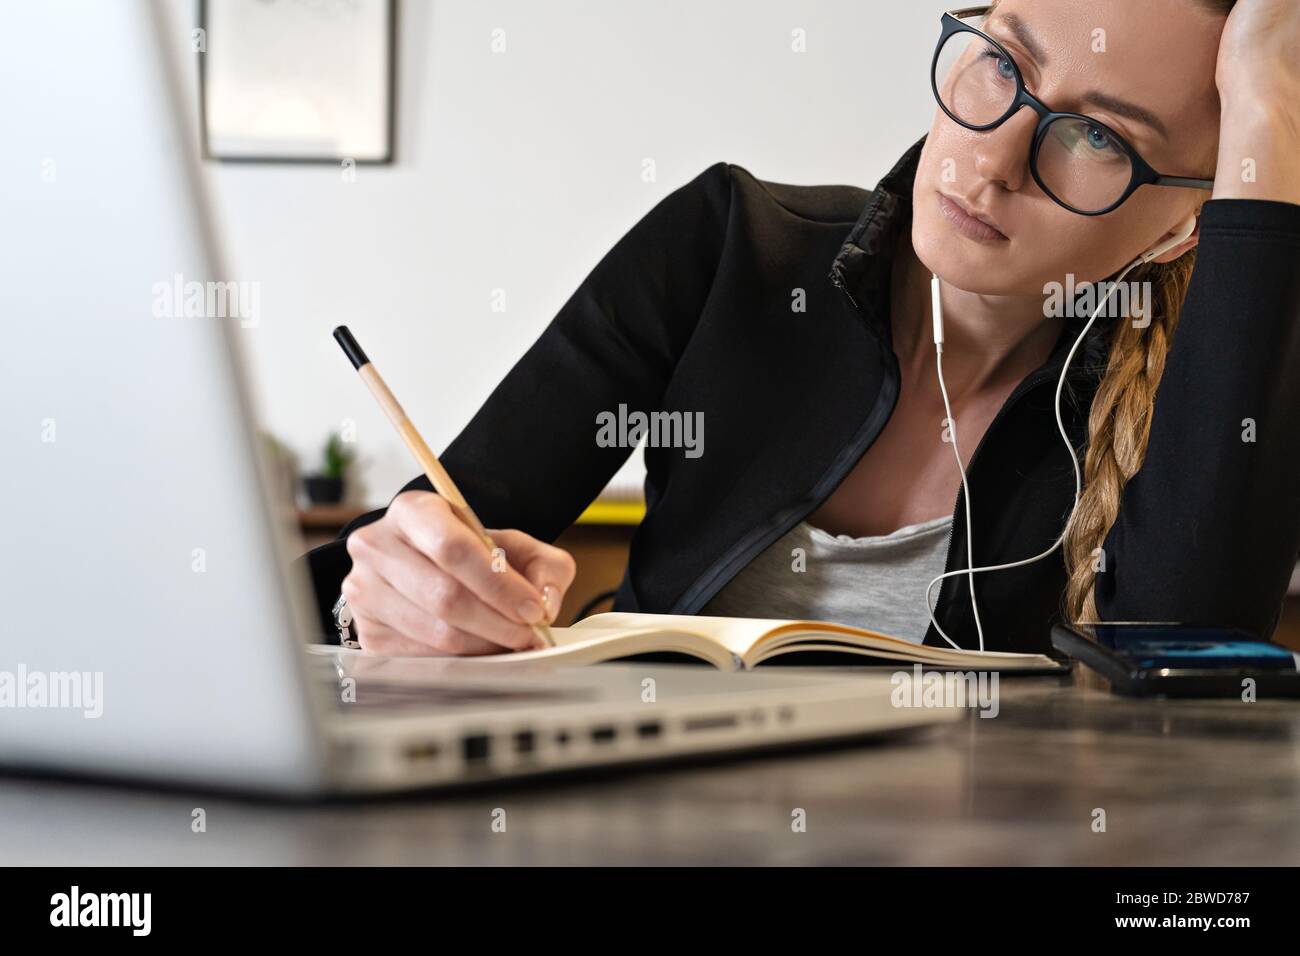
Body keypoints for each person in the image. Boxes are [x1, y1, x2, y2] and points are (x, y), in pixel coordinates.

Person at [302, 0, 1300, 657]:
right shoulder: (731, 249)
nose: (990, 158)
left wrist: (1269, 103)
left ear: (1181, 226)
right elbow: (397, 555)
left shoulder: (1198, 394)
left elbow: (1187, 682)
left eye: (1096, 136)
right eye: (1002, 60)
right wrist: (393, 595)